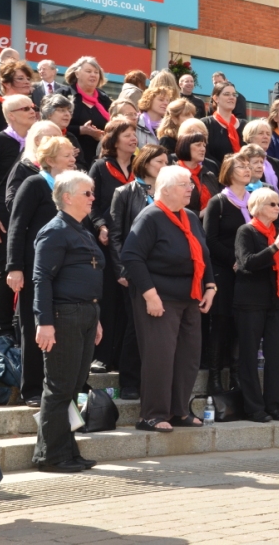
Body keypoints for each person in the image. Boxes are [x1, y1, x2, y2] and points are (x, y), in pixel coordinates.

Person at [121, 165, 216, 432]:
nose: (191, 189)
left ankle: (179, 411)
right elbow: (131, 256)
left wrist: (210, 286)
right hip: (160, 298)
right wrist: (150, 295)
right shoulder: (150, 216)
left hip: (190, 297)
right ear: (166, 189)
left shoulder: (190, 216)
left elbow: (203, 254)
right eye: (185, 185)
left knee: (188, 358)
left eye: (191, 184)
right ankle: (152, 414)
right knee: (159, 357)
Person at [31, 171, 105, 472]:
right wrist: (44, 321)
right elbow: (41, 279)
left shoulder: (81, 230)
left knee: (73, 385)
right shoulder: (55, 231)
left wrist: (95, 317)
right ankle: (50, 456)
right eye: (87, 193)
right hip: (64, 316)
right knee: (60, 386)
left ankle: (67, 450)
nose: (92, 198)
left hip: (86, 313)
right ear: (67, 197)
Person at [6, 137, 76, 408]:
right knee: (33, 326)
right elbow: (17, 226)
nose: (73, 159)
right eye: (67, 155)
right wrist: (14, 267)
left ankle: (62, 385)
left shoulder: (71, 187)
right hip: (34, 268)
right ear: (49, 160)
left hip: (65, 270)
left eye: (73, 154)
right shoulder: (34, 184)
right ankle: (33, 388)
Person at [108, 145, 170, 401]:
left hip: (163, 271)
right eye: (159, 162)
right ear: (145, 163)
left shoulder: (168, 192)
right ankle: (130, 381)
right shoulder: (124, 192)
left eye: (166, 162)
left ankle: (154, 381)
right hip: (134, 270)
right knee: (135, 326)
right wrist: (122, 269)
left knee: (160, 328)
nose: (164, 166)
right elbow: (115, 234)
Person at [234, 188, 279, 422]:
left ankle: (274, 405)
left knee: (277, 355)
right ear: (258, 207)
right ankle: (254, 408)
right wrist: (276, 247)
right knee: (249, 356)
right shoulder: (246, 231)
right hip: (250, 302)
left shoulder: (277, 233)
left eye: (278, 204)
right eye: (272, 204)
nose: (277, 208)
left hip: (277, 301)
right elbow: (247, 263)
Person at [0, 92, 37, 340]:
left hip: (29, 214)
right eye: (26, 108)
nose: (32, 110)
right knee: (6, 270)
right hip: (1, 216)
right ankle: (4, 328)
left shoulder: (38, 142)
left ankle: (21, 322)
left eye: (33, 107)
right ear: (11, 115)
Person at [88, 119, 139, 374]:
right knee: (109, 299)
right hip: (108, 243)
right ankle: (103, 355)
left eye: (134, 134)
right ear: (114, 139)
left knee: (129, 303)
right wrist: (100, 226)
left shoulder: (140, 167)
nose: (133, 138)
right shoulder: (100, 167)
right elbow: (92, 202)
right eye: (127, 134)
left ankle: (123, 356)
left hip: (135, 241)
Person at [203, 154, 253, 393]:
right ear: (228, 172)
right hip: (223, 270)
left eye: (248, 165)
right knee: (221, 323)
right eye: (241, 166)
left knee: (239, 324)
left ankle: (236, 376)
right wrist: (234, 260)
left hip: (246, 272)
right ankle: (214, 377)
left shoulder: (255, 200)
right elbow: (210, 240)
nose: (247, 169)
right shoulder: (218, 202)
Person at [63, 56, 112, 169]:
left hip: (100, 157)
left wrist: (102, 135)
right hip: (72, 156)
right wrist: (81, 130)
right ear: (77, 73)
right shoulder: (64, 95)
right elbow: (53, 124)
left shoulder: (104, 99)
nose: (93, 75)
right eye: (88, 71)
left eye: (96, 72)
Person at [5, 121, 62, 213]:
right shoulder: (23, 167)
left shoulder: (67, 167)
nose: (59, 142)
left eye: (61, 138)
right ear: (37, 140)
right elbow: (13, 203)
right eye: (53, 137)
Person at [0, 60, 35, 147]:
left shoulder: (34, 107)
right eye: (20, 78)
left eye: (28, 79)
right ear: (6, 84)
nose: (27, 82)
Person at [175, 131, 220, 217]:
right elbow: (172, 205)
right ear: (185, 146)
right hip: (185, 222)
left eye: (204, 145)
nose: (203, 149)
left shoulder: (208, 174)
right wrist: (199, 214)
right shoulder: (173, 174)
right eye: (198, 145)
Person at [202, 81, 246, 166]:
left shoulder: (245, 125)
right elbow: (205, 154)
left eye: (234, 95)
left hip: (243, 171)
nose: (231, 97)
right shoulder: (205, 124)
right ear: (216, 98)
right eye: (227, 94)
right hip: (215, 172)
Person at [39, 94, 82, 159]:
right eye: (62, 110)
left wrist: (70, 159)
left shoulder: (71, 137)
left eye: (69, 111)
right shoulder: (39, 135)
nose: (67, 114)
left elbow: (82, 164)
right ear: (48, 114)